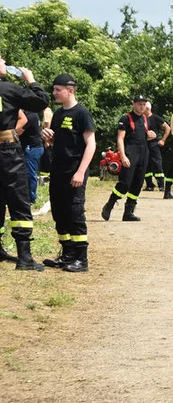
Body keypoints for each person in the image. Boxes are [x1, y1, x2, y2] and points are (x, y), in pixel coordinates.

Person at [40, 73, 95, 272]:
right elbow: (57, 142)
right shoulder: (58, 113)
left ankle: (82, 259)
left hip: (74, 172)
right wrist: (47, 136)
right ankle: (67, 255)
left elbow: (91, 144)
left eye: (57, 90)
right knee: (59, 213)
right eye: (53, 89)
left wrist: (81, 172)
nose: (54, 93)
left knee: (74, 213)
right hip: (58, 172)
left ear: (70, 90)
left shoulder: (82, 113)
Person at [0, 55, 50, 270]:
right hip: (7, 151)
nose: (4, 63)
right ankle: (25, 258)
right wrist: (30, 79)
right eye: (1, 60)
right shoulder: (9, 89)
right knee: (19, 200)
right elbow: (41, 101)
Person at [102, 95, 155, 222]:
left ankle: (128, 212)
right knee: (125, 183)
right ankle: (110, 204)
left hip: (143, 153)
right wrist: (123, 156)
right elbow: (120, 139)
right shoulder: (126, 118)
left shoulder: (145, 119)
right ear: (133, 104)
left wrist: (151, 136)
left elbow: (143, 136)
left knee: (138, 183)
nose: (141, 106)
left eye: (143, 104)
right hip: (130, 152)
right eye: (139, 104)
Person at [18, 107, 45, 203]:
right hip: (34, 147)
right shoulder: (33, 113)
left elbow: (19, 131)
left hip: (33, 148)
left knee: (30, 173)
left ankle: (31, 197)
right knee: (28, 173)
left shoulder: (29, 116)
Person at [144, 103, 171, 192]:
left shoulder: (155, 118)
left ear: (147, 108)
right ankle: (149, 185)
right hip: (144, 144)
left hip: (154, 144)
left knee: (157, 164)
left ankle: (161, 185)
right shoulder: (141, 118)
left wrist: (162, 140)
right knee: (146, 165)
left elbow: (167, 128)